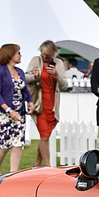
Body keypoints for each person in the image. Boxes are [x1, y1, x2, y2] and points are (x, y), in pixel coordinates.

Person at [0, 43, 33, 176]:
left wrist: (30, 102)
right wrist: (9, 110)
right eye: (18, 52)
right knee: (4, 144)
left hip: (19, 111)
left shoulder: (19, 72)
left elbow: (25, 90)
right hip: (1, 112)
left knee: (18, 143)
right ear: (10, 54)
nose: (20, 55)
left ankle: (13, 174)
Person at [26, 40, 68, 168]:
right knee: (44, 135)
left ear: (53, 53)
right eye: (43, 53)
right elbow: (25, 77)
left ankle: (37, 163)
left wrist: (56, 75)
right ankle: (48, 166)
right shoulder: (35, 61)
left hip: (53, 105)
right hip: (40, 104)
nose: (45, 56)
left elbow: (64, 85)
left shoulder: (59, 64)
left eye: (47, 54)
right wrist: (34, 76)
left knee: (46, 136)